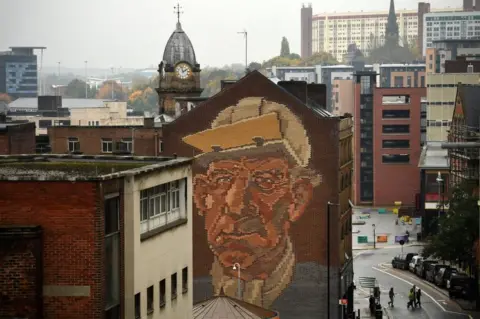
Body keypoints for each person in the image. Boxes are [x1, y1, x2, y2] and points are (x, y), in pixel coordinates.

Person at [185, 98, 322, 312]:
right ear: (202, 196)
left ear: (297, 199)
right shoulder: (186, 287)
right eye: (223, 179)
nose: (236, 205)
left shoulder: (315, 284)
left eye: (266, 181)